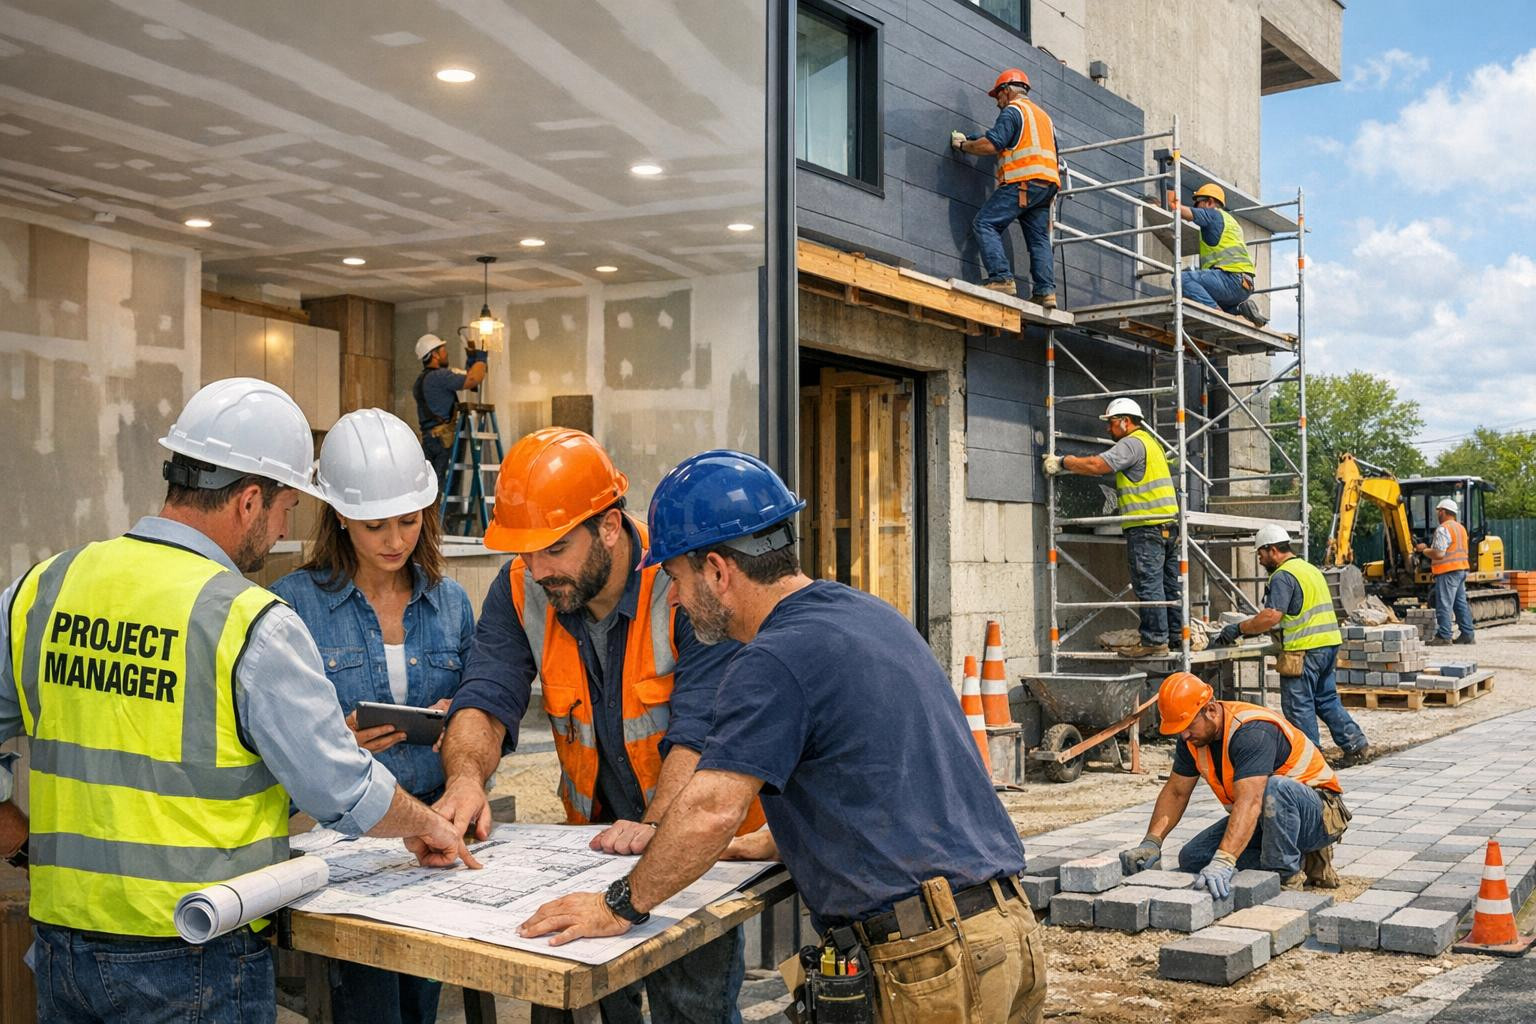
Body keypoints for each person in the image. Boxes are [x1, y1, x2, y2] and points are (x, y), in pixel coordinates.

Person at [0, 378, 478, 1024]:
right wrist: (425, 826)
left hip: (62, 950)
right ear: (250, 501)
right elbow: (337, 784)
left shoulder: (42, 588)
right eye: (285, 510)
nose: (284, 529)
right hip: (194, 953)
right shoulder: (248, 619)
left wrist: (21, 839)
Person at [516, 450, 1047, 1024]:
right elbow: (880, 768)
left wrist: (618, 906)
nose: (670, 598)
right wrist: (776, 838)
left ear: (718, 571)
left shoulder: (772, 659)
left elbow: (710, 811)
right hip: (1004, 934)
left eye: (674, 578)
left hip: (931, 966)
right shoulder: (865, 615)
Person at [433, 428, 763, 1024]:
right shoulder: (520, 589)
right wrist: (464, 779)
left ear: (609, 527)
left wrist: (658, 826)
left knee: (691, 1009)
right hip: (594, 846)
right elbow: (485, 695)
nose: (536, 570)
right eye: (526, 552)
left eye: (553, 549)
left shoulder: (685, 582)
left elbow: (703, 731)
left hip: (690, 847)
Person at [273, 408, 476, 1024]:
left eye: (409, 521)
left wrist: (462, 723)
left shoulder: (451, 603)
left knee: (420, 1007)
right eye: (374, 525)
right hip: (345, 844)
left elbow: (490, 717)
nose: (395, 539)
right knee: (367, 1009)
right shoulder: (292, 606)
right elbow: (268, 746)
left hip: (437, 837)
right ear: (339, 515)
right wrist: (335, 740)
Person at [1119, 673, 1350, 895]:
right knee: (1193, 858)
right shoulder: (1192, 740)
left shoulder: (1251, 730)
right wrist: (1152, 842)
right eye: (1180, 730)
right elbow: (1177, 792)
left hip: (1318, 816)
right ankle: (1295, 859)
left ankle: (1283, 877)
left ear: (1210, 710)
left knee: (1276, 788)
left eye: (1189, 726)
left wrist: (1224, 860)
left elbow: (1250, 802)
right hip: (1267, 817)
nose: (1185, 735)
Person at [1213, 524, 1370, 767]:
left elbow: (1271, 616)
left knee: (1299, 707)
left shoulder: (1283, 576)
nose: (1261, 559)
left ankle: (1310, 761)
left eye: (1261, 554)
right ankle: (1356, 745)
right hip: (1328, 645)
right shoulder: (1309, 569)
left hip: (1303, 649)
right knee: (1326, 700)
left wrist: (1239, 628)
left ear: (1273, 550)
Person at [1042, 397, 1182, 658]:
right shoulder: (1153, 444)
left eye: (1111, 423)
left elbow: (1099, 465)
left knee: (1149, 585)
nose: (1108, 429)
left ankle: (1154, 641)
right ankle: (1174, 637)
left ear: (1126, 422)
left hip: (1146, 527)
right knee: (1168, 586)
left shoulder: (1132, 443)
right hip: (1168, 528)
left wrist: (1064, 462)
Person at [953, 67, 1060, 307]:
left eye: (997, 96)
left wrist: (964, 146)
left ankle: (1001, 277)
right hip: (1046, 186)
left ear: (1007, 91)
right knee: (1039, 239)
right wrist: (975, 139)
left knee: (985, 223)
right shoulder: (1044, 117)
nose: (997, 103)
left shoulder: (1013, 112)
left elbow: (992, 145)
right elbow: (1021, 144)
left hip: (1022, 181)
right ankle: (1046, 291)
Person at [1173, 183, 1268, 327]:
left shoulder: (1213, 214)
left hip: (1230, 279)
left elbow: (1182, 212)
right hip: (1244, 285)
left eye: (1198, 203)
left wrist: (1170, 202)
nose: (1196, 207)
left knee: (1181, 279)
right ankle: (1240, 311)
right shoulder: (1231, 221)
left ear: (1210, 202)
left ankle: (1216, 312)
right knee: (1207, 295)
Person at [413, 332, 489, 493]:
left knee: (430, 485)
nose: (446, 353)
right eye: (442, 350)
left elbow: (466, 377)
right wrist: (481, 358)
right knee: (442, 487)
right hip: (442, 440)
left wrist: (471, 362)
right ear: (434, 355)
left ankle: (432, 517)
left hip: (430, 439)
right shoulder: (439, 376)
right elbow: (473, 380)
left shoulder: (423, 379)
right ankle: (441, 517)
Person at [1415, 497, 1476, 646]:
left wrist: (1424, 551)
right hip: (1461, 569)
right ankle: (1467, 634)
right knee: (1459, 603)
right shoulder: (1460, 528)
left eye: (1438, 511)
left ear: (1442, 511)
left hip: (1448, 571)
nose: (1437, 514)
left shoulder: (1443, 529)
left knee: (1444, 603)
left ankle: (1444, 636)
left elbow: (1439, 554)